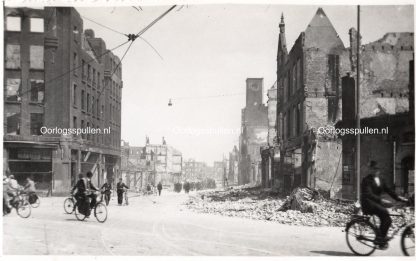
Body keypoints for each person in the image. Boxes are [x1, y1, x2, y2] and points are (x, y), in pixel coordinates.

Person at [360, 161, 408, 249]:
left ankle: (380, 238)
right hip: (368, 203)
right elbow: (368, 194)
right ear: (370, 170)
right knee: (384, 212)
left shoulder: (381, 180)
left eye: (377, 169)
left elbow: (389, 191)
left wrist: (399, 198)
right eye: (374, 169)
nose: (376, 171)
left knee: (388, 220)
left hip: (376, 203)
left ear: (379, 170)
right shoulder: (366, 180)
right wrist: (382, 200)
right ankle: (380, 239)